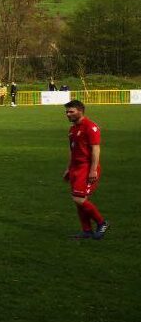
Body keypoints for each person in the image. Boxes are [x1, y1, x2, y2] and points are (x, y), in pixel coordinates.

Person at [64, 100, 108, 239]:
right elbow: (72, 150)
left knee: (78, 199)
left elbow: (96, 149)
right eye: (67, 112)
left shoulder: (90, 127)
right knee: (80, 200)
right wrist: (69, 168)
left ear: (80, 111)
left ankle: (102, 222)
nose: (67, 114)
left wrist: (93, 170)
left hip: (86, 167)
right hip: (75, 168)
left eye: (71, 111)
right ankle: (87, 231)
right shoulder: (72, 129)